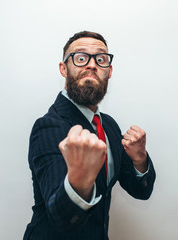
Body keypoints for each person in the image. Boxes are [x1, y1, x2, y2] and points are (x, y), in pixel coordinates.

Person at [23, 31, 156, 240]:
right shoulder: (48, 127)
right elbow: (61, 219)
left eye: (100, 59)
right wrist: (80, 180)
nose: (92, 65)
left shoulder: (109, 126)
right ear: (63, 68)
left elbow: (141, 191)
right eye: (81, 57)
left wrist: (139, 159)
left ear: (109, 71)